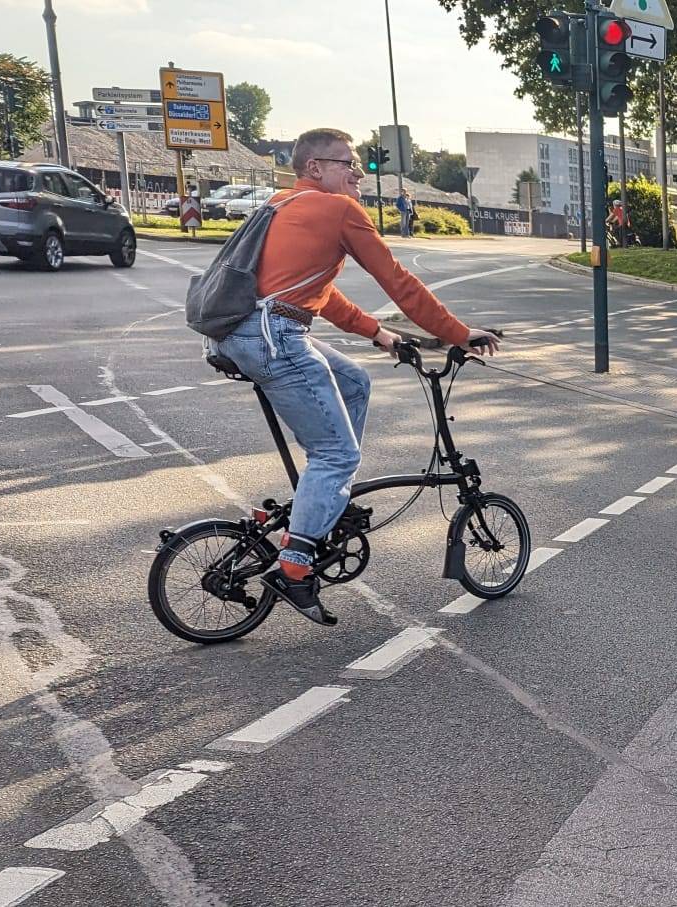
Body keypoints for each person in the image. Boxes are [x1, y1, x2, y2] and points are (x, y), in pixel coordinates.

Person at [208, 127, 500, 626]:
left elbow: (317, 294)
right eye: (348, 165)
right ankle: (295, 567)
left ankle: (325, 499)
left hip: (244, 331)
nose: (359, 176)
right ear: (314, 168)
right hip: (274, 336)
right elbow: (400, 283)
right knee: (337, 454)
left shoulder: (283, 204)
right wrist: (457, 334)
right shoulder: (338, 210)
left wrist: (379, 334)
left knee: (354, 382)